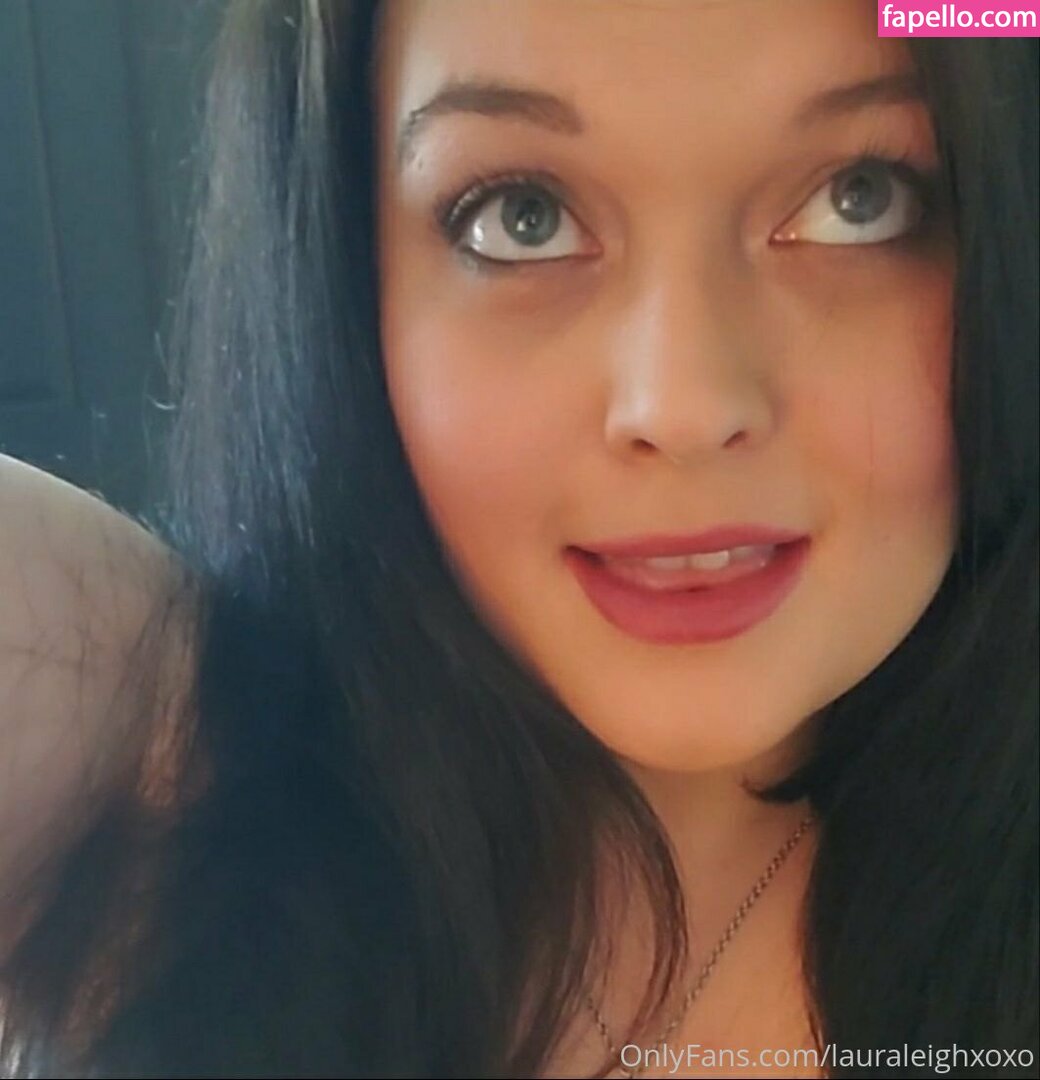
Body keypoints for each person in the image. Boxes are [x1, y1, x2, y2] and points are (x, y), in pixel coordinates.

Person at [0, 1, 1036, 1076]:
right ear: (349, 277)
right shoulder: (161, 765)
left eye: (858, 199)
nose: (681, 405)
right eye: (521, 216)